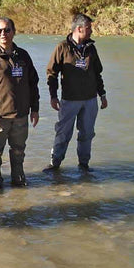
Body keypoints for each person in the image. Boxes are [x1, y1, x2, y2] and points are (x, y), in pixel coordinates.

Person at [0, 17, 40, 191]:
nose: (3, 34)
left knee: (19, 150)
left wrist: (35, 109)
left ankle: (18, 181)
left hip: (21, 115)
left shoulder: (23, 55)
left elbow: (33, 83)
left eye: (6, 30)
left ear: (14, 31)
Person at [43, 13, 108, 173]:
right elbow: (51, 73)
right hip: (69, 100)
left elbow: (97, 73)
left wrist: (103, 94)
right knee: (63, 133)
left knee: (87, 134)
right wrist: (53, 96)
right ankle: (55, 164)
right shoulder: (62, 47)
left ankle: (84, 165)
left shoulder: (91, 48)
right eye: (89, 28)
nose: (92, 31)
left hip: (90, 100)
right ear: (79, 29)